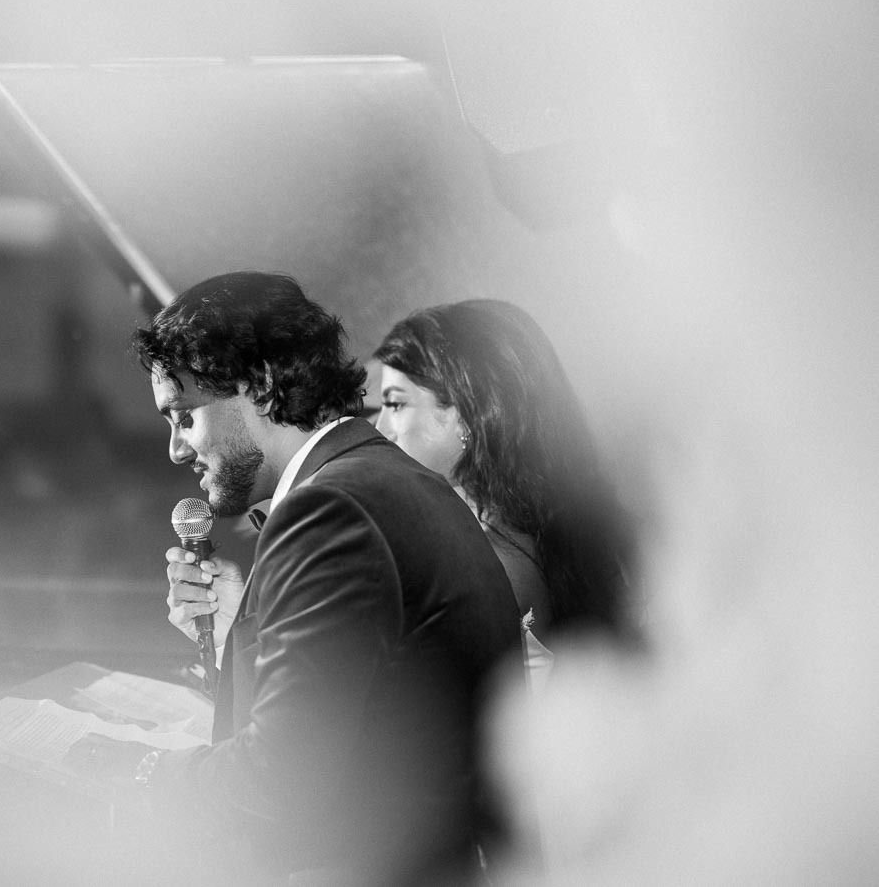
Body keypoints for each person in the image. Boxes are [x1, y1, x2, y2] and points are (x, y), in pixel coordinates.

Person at [82, 271, 522, 885]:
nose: (177, 449)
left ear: (258, 388)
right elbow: (353, 711)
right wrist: (239, 633)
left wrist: (145, 771)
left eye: (183, 414)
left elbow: (280, 778)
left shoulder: (332, 508)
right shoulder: (382, 478)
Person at [371, 300, 639, 689]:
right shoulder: (552, 524)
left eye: (395, 403)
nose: (380, 427)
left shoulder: (491, 562)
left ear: (464, 413)